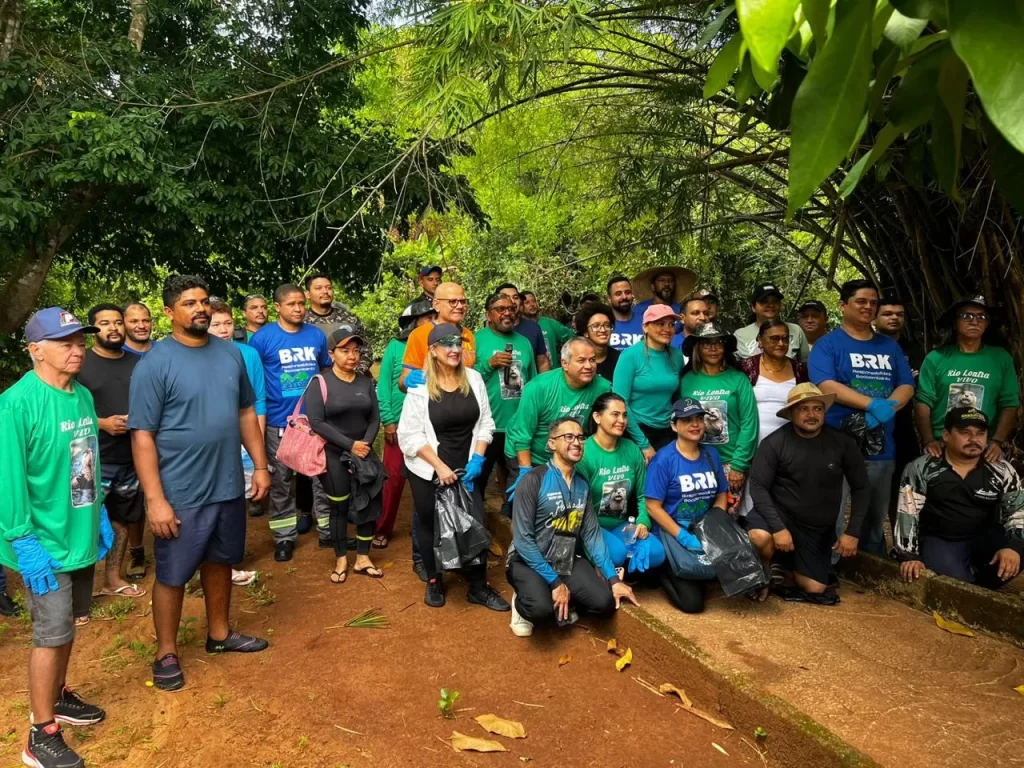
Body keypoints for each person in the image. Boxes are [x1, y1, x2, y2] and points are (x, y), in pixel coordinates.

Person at [130, 275, 271, 693]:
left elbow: (247, 412)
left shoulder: (230, 356)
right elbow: (142, 436)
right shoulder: (155, 364)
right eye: (189, 303)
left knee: (221, 560)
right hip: (180, 491)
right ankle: (166, 652)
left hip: (227, 482)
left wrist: (261, 466)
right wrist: (155, 500)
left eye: (204, 301)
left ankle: (220, 633)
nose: (200, 308)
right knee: (172, 573)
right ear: (170, 312)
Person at [0, 307, 110, 768]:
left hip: (78, 533)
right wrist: (22, 540)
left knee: (68, 626)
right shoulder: (16, 403)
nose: (78, 350)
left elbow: (84, 460)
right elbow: (8, 479)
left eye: (80, 341)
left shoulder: (82, 396)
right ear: (35, 350)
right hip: (40, 545)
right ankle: (39, 734)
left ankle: (59, 696)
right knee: (49, 634)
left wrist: (97, 512)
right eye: (66, 343)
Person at [397, 323, 509, 611]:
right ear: (433, 350)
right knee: (429, 520)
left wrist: (478, 459)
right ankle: (434, 579)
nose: (455, 349)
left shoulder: (473, 378)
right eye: (447, 344)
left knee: (474, 519)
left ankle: (477, 585)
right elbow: (409, 435)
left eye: (458, 343)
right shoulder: (421, 386)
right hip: (428, 467)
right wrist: (439, 467)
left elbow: (486, 423)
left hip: (467, 464)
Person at [809, 279, 915, 557]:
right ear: (843, 305)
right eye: (861, 301)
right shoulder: (827, 344)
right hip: (837, 441)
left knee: (874, 511)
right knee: (831, 507)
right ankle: (826, 566)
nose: (868, 307)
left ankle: (871, 566)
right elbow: (826, 384)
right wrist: (871, 404)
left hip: (881, 444)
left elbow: (906, 384)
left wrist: (888, 407)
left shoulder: (889, 346)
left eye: (873, 302)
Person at [506, 417, 638, 636]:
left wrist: (613, 580)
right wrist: (555, 582)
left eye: (580, 437)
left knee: (603, 603)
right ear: (551, 444)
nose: (576, 442)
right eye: (568, 437)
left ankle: (561, 594)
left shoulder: (582, 484)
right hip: (527, 560)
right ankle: (522, 603)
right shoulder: (533, 480)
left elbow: (592, 536)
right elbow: (522, 540)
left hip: (564, 559)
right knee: (540, 610)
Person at [746, 384, 869, 603]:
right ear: (791, 413)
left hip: (815, 528)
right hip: (780, 514)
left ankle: (783, 565)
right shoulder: (774, 443)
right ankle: (763, 572)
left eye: (817, 409)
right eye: (804, 409)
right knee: (759, 536)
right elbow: (758, 486)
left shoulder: (843, 443)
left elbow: (861, 487)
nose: (811, 415)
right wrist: (778, 528)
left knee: (815, 589)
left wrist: (853, 532)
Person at [248, 283, 333, 561]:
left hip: (315, 422)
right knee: (281, 482)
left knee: (321, 476)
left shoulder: (316, 335)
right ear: (277, 307)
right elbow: (254, 380)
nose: (298, 309)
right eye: (292, 304)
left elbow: (324, 371)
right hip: (279, 422)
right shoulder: (262, 339)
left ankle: (327, 529)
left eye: (301, 304)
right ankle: (284, 537)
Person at [895, 407, 1023, 588]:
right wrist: (908, 556)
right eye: (965, 433)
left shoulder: (1001, 470)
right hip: (941, 539)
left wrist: (1014, 547)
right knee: (953, 585)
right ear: (946, 435)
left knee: (1018, 549)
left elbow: (1018, 511)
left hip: (984, 538)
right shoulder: (923, 468)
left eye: (980, 433)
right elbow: (907, 513)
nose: (974, 440)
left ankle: (983, 588)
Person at [77, 304, 147, 601]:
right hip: (89, 457)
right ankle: (77, 595)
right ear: (94, 329)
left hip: (131, 456)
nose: (114, 328)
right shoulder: (80, 363)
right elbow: (64, 410)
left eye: (118, 322)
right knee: (83, 520)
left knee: (122, 518)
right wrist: (100, 423)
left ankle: (112, 579)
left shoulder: (139, 363)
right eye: (105, 323)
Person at [304, 326, 384, 583]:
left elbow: (374, 417)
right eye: (345, 351)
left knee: (368, 503)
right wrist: (350, 445)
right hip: (334, 454)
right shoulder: (320, 383)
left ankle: (362, 557)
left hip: (364, 452)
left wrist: (366, 444)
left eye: (356, 351)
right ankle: (340, 558)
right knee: (339, 505)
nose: (352, 356)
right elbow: (317, 422)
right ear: (331, 354)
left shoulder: (365, 382)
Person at [645, 399, 728, 614]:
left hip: (703, 530)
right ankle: (663, 571)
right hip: (673, 534)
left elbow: (721, 494)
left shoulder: (711, 454)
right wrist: (682, 536)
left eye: (699, 419)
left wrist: (714, 526)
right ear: (674, 425)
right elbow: (653, 506)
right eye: (687, 420)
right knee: (692, 604)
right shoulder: (664, 460)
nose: (695, 425)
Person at [916, 295, 1018, 464]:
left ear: (987, 324)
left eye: (981, 317)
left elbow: (1009, 403)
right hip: (942, 445)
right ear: (955, 323)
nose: (974, 321)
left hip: (983, 446)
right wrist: (929, 440)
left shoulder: (1001, 358)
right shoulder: (936, 358)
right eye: (967, 316)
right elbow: (923, 402)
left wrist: (997, 441)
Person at [505, 338, 613, 494]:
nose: (589, 366)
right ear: (565, 364)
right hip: (529, 451)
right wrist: (525, 471)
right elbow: (522, 434)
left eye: (592, 360)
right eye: (581, 360)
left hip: (566, 454)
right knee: (524, 501)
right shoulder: (538, 387)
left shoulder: (603, 387)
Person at [577, 394, 666, 574]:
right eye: (615, 415)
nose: (622, 420)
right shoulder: (584, 453)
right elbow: (577, 507)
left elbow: (643, 494)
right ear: (597, 417)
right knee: (616, 554)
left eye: (624, 415)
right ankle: (591, 561)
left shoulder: (631, 449)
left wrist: (643, 522)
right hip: (590, 526)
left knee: (657, 553)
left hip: (620, 525)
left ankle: (619, 567)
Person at [209, 301, 264, 586]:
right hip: (208, 445)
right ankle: (213, 563)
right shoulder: (197, 356)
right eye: (215, 324)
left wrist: (258, 448)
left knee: (236, 501)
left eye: (227, 323)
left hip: (241, 440)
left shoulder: (247, 354)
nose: (223, 330)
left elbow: (256, 403)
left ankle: (230, 559)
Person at [377, 300, 436, 560]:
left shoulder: (441, 345)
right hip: (400, 423)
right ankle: (382, 527)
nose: (432, 320)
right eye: (426, 317)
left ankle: (433, 530)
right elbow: (383, 387)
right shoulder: (395, 346)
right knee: (392, 479)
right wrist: (389, 420)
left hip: (432, 424)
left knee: (431, 479)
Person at [680, 322, 759, 512]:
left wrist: (739, 466)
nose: (713, 348)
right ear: (697, 347)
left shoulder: (738, 379)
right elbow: (681, 421)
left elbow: (749, 423)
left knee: (726, 518)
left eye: (718, 343)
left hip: (730, 463)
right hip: (695, 460)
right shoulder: (687, 380)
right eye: (707, 343)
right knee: (695, 514)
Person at [474, 293, 538, 506]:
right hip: (486, 427)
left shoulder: (525, 343)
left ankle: (513, 528)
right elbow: (463, 381)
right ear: (488, 315)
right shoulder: (476, 340)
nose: (507, 313)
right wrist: (488, 365)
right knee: (477, 482)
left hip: (518, 428)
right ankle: (475, 530)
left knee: (520, 484)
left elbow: (534, 384)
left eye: (511, 308)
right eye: (501, 309)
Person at [874, 296, 926, 531]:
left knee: (905, 487)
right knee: (870, 488)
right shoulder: (865, 346)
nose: (894, 318)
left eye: (899, 314)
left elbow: (920, 389)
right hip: (870, 427)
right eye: (887, 313)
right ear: (874, 317)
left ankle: (902, 541)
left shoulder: (913, 350)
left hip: (904, 428)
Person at [614, 305, 686, 460]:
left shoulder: (677, 356)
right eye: (660, 324)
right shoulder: (630, 355)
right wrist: (644, 444)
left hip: (668, 430)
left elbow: (677, 396)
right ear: (645, 327)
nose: (667, 329)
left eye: (671, 324)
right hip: (637, 429)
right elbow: (620, 402)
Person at [737, 319, 810, 447]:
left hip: (791, 446)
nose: (781, 343)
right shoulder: (746, 368)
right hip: (752, 446)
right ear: (760, 340)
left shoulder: (800, 370)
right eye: (774, 338)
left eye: (785, 338)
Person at [400, 282, 477, 391]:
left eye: (463, 301)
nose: (460, 306)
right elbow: (402, 383)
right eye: (453, 302)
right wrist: (407, 381)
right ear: (436, 305)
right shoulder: (419, 335)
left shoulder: (468, 335)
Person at [303, 272, 373, 374]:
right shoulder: (302, 322)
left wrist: (354, 374)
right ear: (307, 294)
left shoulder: (350, 319)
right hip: (316, 380)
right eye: (318, 288)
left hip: (350, 379)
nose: (325, 291)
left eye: (329, 288)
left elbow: (366, 351)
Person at [734, 284, 809, 362]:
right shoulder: (740, 335)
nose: (770, 305)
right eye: (764, 301)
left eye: (775, 301)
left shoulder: (796, 330)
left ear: (780, 305)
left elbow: (805, 363)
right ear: (753, 307)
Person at [495, 283, 551, 373]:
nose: (512, 301)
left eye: (516, 297)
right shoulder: (487, 333)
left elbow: (543, 362)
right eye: (506, 297)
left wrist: (546, 385)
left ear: (520, 302)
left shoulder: (534, 328)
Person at [524, 290, 574, 364]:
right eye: (527, 303)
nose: (532, 304)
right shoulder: (518, 328)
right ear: (520, 306)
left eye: (534, 301)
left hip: (552, 372)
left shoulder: (550, 323)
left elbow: (572, 336)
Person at [574, 302, 620, 381]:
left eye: (607, 325)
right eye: (596, 326)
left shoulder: (620, 359)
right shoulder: (576, 360)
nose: (603, 330)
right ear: (585, 332)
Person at [607, 275, 643, 351]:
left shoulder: (645, 322)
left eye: (627, 292)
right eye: (618, 294)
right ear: (610, 299)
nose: (624, 297)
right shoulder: (603, 324)